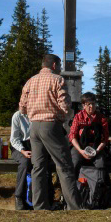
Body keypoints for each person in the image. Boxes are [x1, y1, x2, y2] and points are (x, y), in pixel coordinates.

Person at [19, 53, 81, 210]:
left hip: (33, 127)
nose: (60, 69)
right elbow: (65, 105)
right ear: (54, 65)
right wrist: (63, 116)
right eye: (59, 66)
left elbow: (22, 107)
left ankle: (40, 207)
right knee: (64, 165)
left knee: (38, 167)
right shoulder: (58, 79)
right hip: (51, 126)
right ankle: (75, 207)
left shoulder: (30, 81)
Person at [69, 91, 109, 178]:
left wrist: (96, 151)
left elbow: (105, 139)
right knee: (75, 162)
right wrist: (81, 151)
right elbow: (72, 136)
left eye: (93, 104)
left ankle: (100, 187)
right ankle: (73, 185)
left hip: (97, 147)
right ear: (83, 105)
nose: (91, 106)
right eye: (88, 104)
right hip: (80, 147)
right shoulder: (78, 117)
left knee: (101, 164)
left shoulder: (102, 118)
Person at [10, 109, 33, 210]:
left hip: (34, 146)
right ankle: (18, 197)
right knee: (25, 162)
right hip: (19, 147)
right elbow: (14, 139)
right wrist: (23, 151)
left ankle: (37, 197)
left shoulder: (37, 114)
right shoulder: (17, 116)